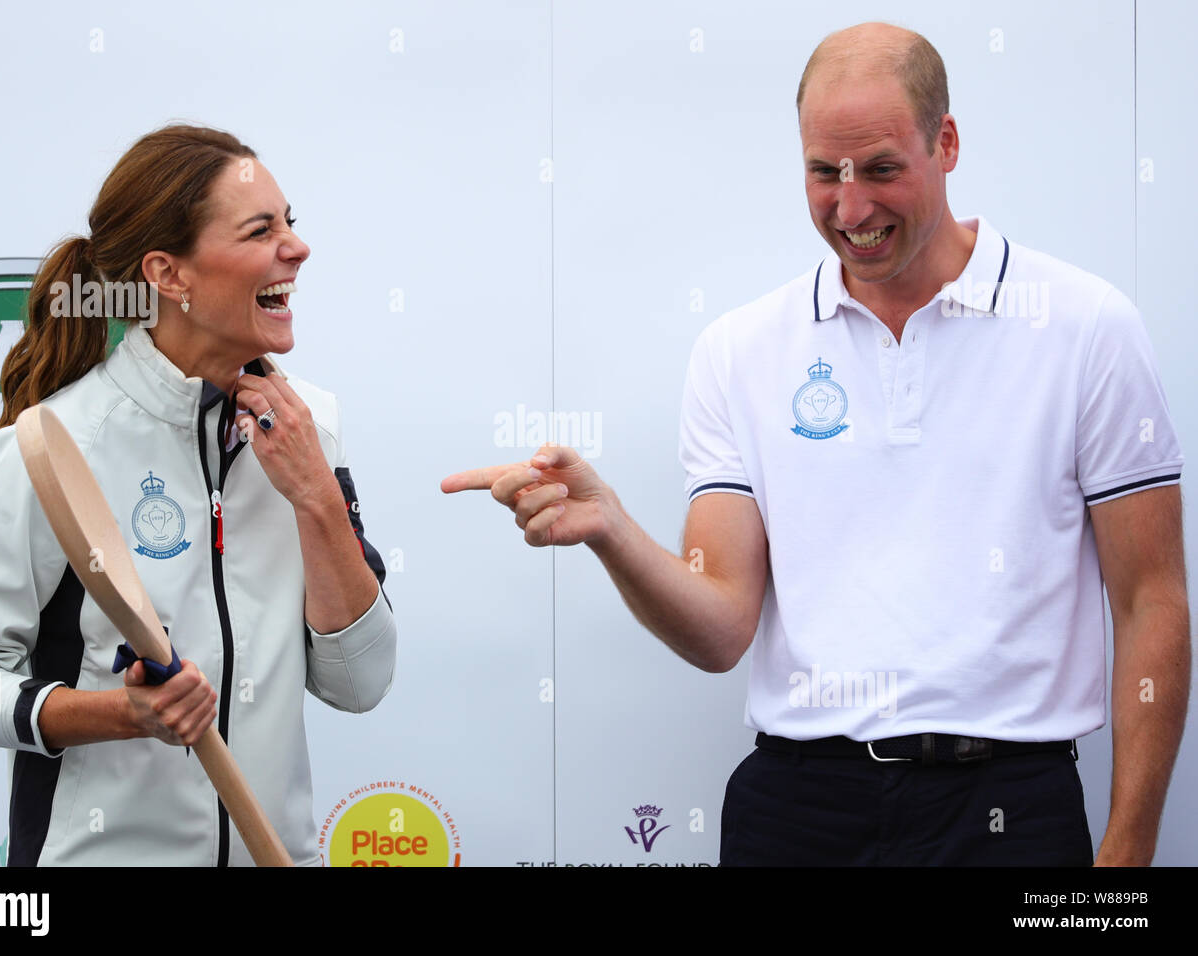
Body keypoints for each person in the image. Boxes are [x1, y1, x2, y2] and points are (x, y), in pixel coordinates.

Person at [442, 23, 1189, 866]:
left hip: (1007, 812)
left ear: (946, 144)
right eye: (822, 171)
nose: (851, 207)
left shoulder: (1086, 327)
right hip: (796, 811)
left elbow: (1150, 601)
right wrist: (612, 529)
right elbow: (722, 626)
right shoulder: (740, 350)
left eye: (880, 169)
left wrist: (1126, 858)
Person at [0, 124, 396, 866]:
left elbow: (360, 683)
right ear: (170, 276)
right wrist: (120, 714)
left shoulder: (310, 425)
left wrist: (315, 499)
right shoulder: (49, 446)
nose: (296, 249)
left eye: (290, 223)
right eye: (260, 230)